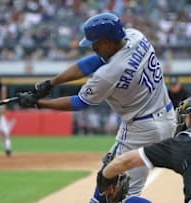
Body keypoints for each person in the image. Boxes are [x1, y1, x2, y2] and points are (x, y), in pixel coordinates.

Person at [17, 12, 177, 202]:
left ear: (108, 42)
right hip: (166, 119)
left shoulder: (108, 74)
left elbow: (80, 102)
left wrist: (38, 103)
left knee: (117, 190)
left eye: (96, 43)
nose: (93, 47)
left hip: (141, 129)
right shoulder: (136, 36)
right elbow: (91, 63)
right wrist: (51, 83)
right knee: (113, 183)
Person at [97, 91, 191, 203]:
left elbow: (127, 161)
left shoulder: (184, 141)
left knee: (132, 201)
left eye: (186, 118)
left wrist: (105, 176)